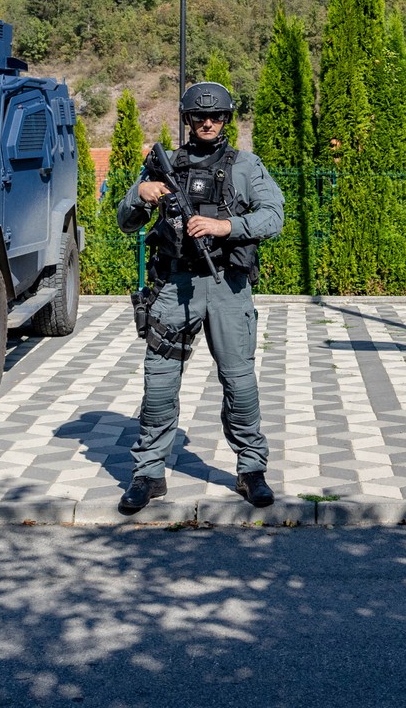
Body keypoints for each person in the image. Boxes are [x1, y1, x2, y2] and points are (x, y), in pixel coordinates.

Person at [115, 81, 285, 514]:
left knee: (240, 383)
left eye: (216, 117)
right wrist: (141, 193)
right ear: (187, 120)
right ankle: (148, 473)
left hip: (228, 286)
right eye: (198, 117)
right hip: (174, 287)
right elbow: (125, 221)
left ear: (227, 119)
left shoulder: (246, 166)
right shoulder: (165, 165)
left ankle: (251, 471)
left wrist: (223, 228)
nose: (207, 123)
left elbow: (273, 216)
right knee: (158, 385)